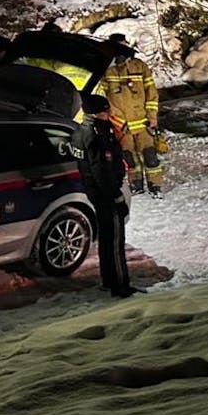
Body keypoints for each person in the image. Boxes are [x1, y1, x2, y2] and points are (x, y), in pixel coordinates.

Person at [70, 94, 136, 298]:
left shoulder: (80, 131)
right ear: (97, 112)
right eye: (106, 110)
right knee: (115, 241)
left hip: (95, 193)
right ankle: (120, 286)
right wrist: (116, 196)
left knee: (107, 240)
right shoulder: (98, 135)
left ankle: (109, 281)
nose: (109, 114)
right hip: (106, 195)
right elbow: (102, 170)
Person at [98, 32, 164, 198]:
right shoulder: (107, 71)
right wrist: (116, 120)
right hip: (122, 125)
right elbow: (103, 97)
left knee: (150, 156)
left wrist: (152, 116)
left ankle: (155, 187)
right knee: (129, 158)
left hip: (143, 123)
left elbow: (151, 92)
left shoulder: (139, 66)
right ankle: (136, 186)